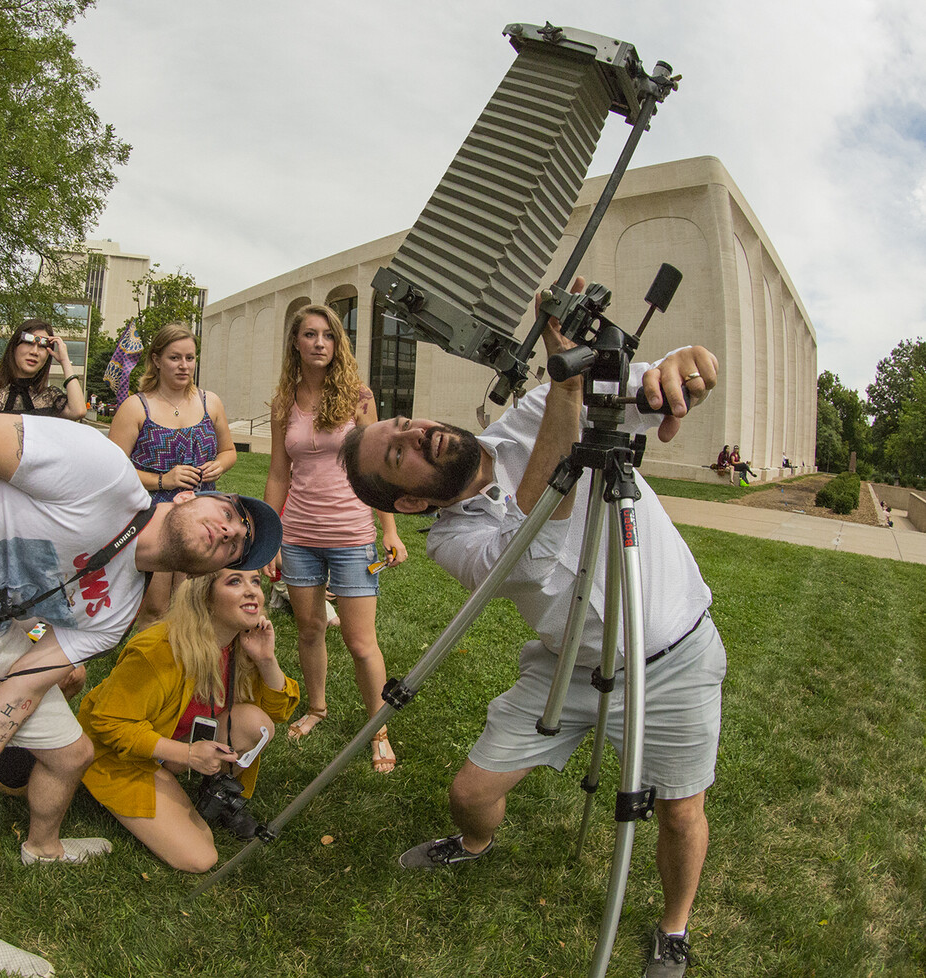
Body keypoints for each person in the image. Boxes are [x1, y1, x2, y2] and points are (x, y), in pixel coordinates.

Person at [340, 292, 724, 977]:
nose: (416, 432)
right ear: (410, 504)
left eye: (403, 422)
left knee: (678, 811)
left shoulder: (531, 415)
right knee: (470, 793)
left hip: (672, 657)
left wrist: (674, 369)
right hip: (567, 668)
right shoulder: (452, 542)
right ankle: (475, 843)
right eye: (398, 453)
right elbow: (535, 534)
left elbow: (628, 389)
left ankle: (673, 928)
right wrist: (566, 396)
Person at [0, 411, 281, 977]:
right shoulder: (103, 473)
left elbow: (24, 682)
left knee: (71, 753)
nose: (229, 532)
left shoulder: (117, 609)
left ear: (211, 571)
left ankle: (42, 847)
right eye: (228, 513)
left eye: (237, 545)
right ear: (182, 499)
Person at [262, 304, 407, 773]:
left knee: (361, 642)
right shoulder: (283, 404)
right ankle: (317, 709)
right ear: (296, 343)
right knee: (309, 630)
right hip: (300, 535)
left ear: (338, 342)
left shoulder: (359, 399)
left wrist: (388, 529)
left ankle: (378, 728)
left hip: (351, 536)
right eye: (310, 334)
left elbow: (378, 471)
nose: (320, 342)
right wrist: (271, 536)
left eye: (328, 334)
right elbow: (278, 475)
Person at [78, 569, 299, 870]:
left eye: (256, 581)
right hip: (121, 755)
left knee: (256, 724)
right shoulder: (159, 648)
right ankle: (114, 791)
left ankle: (209, 792)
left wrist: (266, 659)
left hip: (174, 747)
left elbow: (279, 712)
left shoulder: (240, 644)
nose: (252, 591)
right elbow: (109, 724)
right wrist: (188, 754)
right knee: (200, 857)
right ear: (204, 597)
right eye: (235, 581)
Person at [110, 322, 238, 629]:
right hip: (153, 518)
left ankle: (188, 666)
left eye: (190, 358)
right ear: (156, 359)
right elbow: (112, 470)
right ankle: (147, 666)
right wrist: (162, 480)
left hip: (203, 516)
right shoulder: (136, 407)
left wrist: (220, 465)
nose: (184, 366)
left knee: (194, 602)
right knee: (155, 608)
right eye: (175, 358)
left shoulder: (211, 402)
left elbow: (229, 451)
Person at [0, 319, 87, 419]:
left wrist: (65, 361)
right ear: (14, 347)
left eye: (42, 347)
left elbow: (78, 411)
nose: (34, 352)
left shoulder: (50, 397)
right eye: (28, 343)